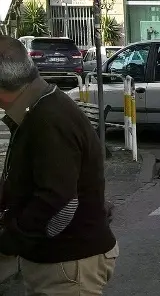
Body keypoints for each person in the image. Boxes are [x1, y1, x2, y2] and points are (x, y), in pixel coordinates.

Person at [0, 35, 118, 294]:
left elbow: (60, 201)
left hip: (67, 263)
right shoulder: (38, 108)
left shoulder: (47, 119)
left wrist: (10, 241)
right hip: (62, 261)